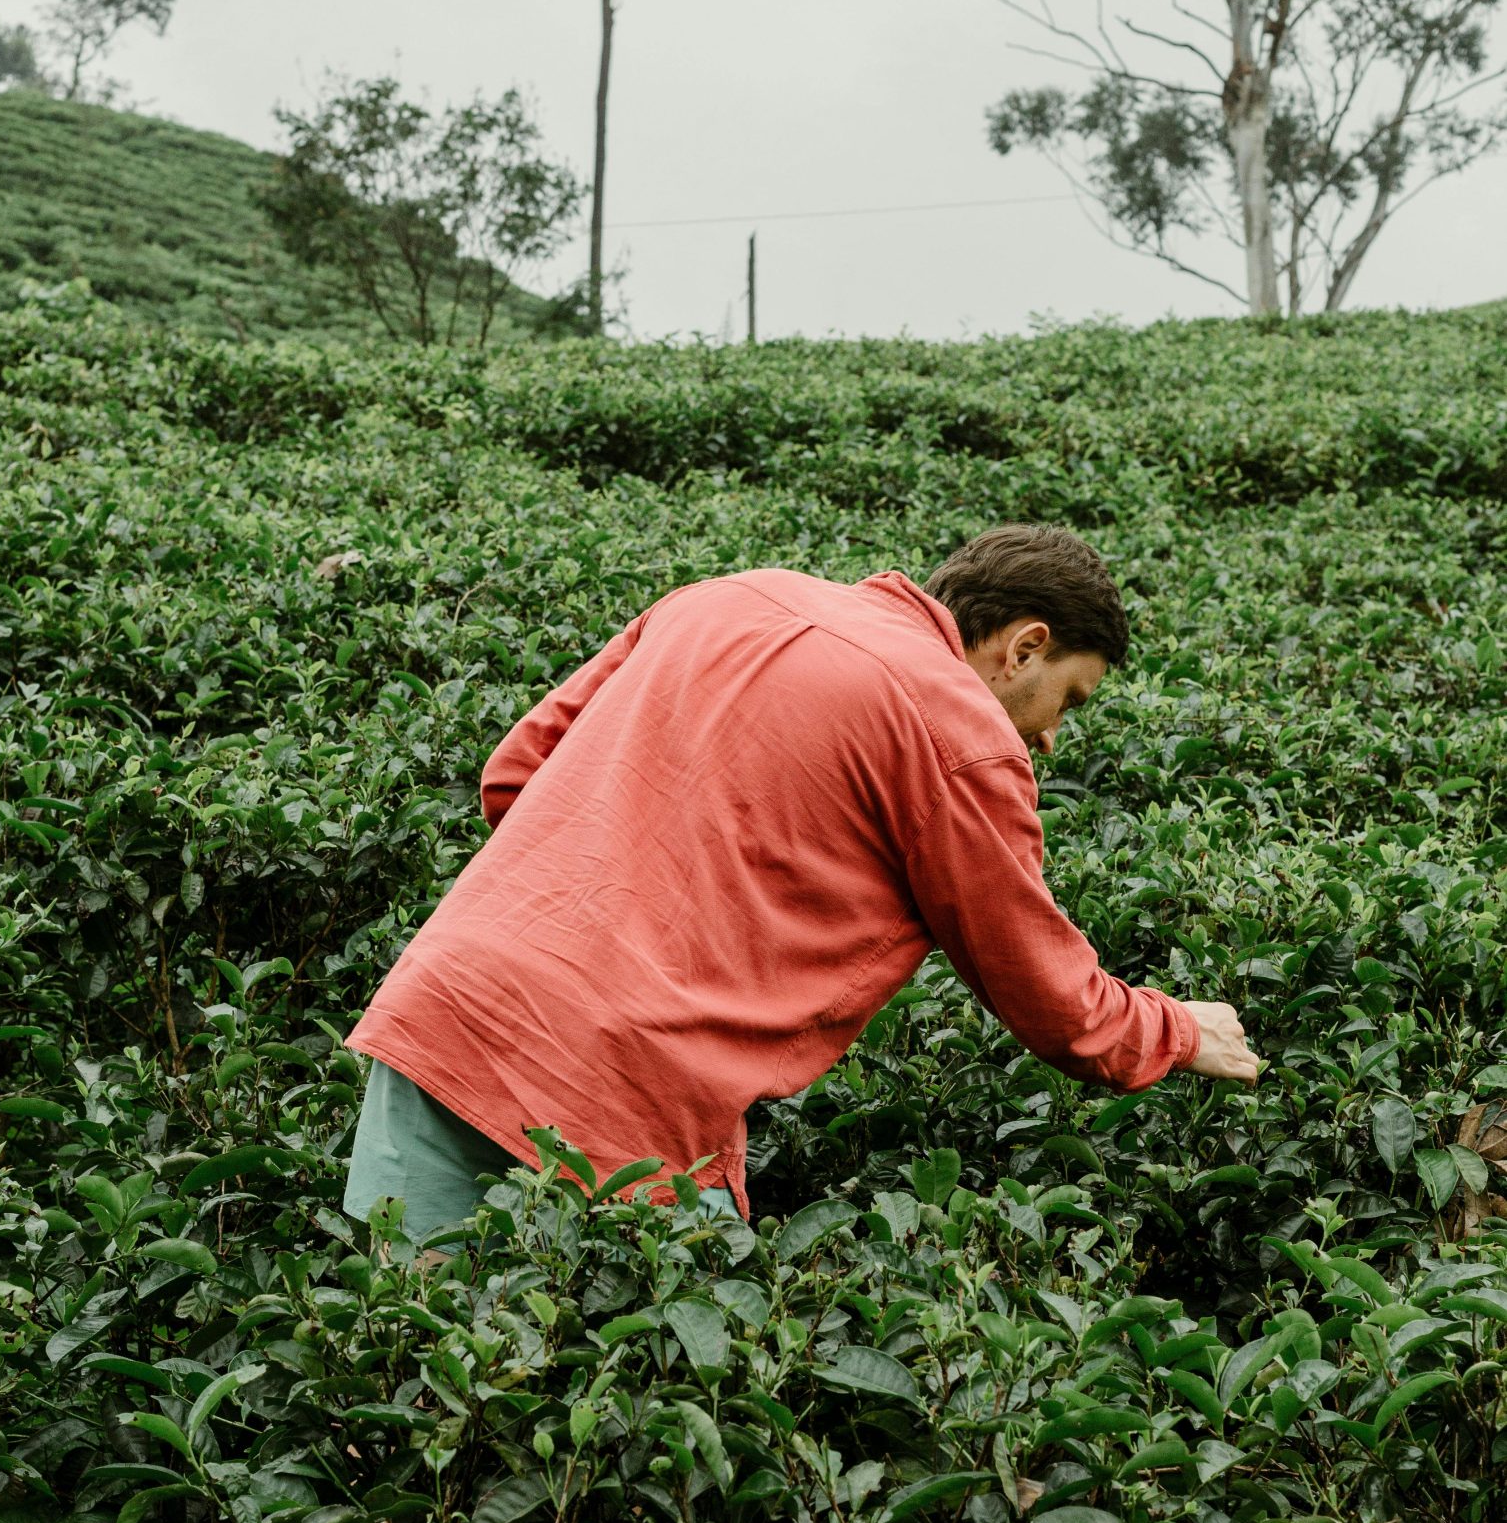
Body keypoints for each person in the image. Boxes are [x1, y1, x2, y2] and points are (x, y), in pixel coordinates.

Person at [339, 524, 1260, 1245]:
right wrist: (1178, 1030)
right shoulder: (958, 734)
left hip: (447, 1017)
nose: (1053, 738)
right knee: (654, 1418)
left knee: (414, 1391)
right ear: (1022, 647)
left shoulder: (728, 597)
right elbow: (1047, 994)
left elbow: (514, 775)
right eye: (1070, 699)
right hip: (621, 1095)